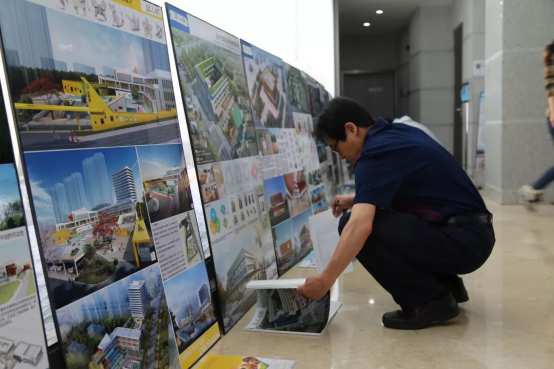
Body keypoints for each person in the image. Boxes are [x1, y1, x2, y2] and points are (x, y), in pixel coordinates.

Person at [297, 97, 495, 330]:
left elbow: (360, 225)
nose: (340, 156)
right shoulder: (398, 134)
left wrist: (325, 280)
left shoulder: (373, 153)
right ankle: (447, 285)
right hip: (474, 235)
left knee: (352, 224)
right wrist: (357, 199)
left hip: (463, 242)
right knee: (376, 219)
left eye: (336, 147)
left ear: (351, 129)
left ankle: (429, 301)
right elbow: (414, 189)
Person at [519, 40, 554, 203]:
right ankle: (534, 188)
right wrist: (553, 110)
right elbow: (550, 85)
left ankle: (534, 188)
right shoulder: (550, 51)